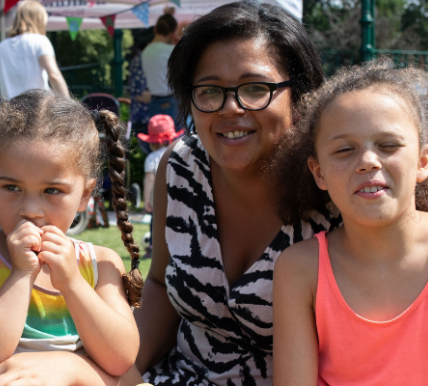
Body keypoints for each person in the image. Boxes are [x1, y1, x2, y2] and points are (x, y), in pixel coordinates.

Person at [133, 2, 341, 385]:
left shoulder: (336, 186)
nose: (230, 108)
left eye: (255, 88)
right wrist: (118, 375)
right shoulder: (180, 167)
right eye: (210, 91)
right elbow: (161, 286)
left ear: (300, 95)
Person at [271, 62, 428, 384]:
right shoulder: (301, 270)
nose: (368, 162)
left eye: (388, 145)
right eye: (345, 150)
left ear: (423, 161)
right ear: (319, 172)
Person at [0, 90, 142, 379]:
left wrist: (73, 282)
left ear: (85, 195)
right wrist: (22, 274)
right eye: (11, 187)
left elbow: (122, 358)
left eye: (52, 191)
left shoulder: (99, 264)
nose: (31, 209)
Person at [0, 1, 68, 102]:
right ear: (39, 21)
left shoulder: (0, 48)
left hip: (10, 116)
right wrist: (70, 107)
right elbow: (54, 75)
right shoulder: (40, 41)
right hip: (38, 113)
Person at [138, 114, 183, 258]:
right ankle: (177, 247)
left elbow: (150, 179)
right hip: (178, 197)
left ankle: (153, 247)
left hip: (159, 199)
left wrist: (147, 200)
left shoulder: (152, 158)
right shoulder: (179, 152)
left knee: (156, 224)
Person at [141, 8, 178, 123]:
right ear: (172, 33)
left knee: (156, 138)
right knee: (175, 138)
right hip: (170, 100)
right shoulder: (171, 50)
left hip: (154, 101)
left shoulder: (146, 51)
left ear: (155, 29)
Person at [129, 39, 152, 155]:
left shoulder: (142, 60)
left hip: (142, 118)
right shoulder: (142, 61)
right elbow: (140, 95)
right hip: (144, 117)